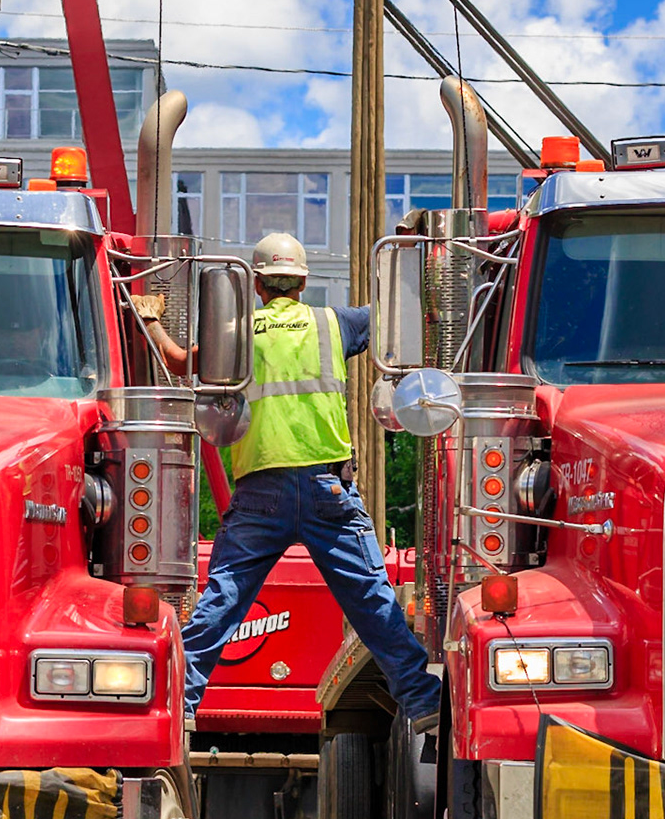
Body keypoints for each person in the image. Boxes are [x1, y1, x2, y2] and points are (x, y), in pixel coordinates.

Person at [132, 233, 441, 733]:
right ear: (303, 280)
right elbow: (402, 314)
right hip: (329, 489)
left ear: (255, 284)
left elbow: (176, 363)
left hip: (260, 493)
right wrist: (417, 257)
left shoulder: (234, 334)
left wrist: (148, 319)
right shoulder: (333, 323)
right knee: (371, 601)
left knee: (224, 599)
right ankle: (423, 699)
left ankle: (179, 705)